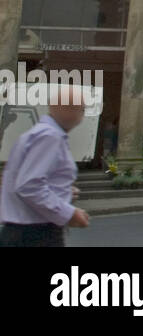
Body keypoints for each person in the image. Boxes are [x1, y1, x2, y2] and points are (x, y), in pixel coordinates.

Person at [1, 84, 91, 247]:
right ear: (66, 109)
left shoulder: (35, 134)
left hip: (22, 232)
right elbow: (29, 186)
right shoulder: (50, 137)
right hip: (36, 234)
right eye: (81, 110)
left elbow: (21, 180)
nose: (81, 117)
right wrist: (69, 213)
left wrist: (64, 191)